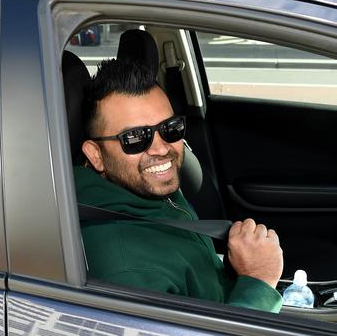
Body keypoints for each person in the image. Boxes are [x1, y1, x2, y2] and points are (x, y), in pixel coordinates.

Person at [76, 57, 284, 312]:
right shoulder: (127, 271)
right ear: (95, 155)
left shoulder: (143, 193)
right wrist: (257, 281)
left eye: (169, 128)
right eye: (135, 138)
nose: (162, 148)